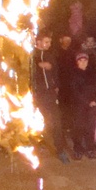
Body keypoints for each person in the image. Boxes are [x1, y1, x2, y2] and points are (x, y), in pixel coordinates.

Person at [30, 31, 68, 163]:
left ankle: (60, 150)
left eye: (50, 42)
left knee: (56, 121)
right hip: (37, 94)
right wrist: (38, 65)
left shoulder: (50, 55)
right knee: (40, 121)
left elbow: (55, 71)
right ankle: (38, 144)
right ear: (38, 42)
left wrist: (56, 86)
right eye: (46, 42)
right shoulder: (32, 55)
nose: (49, 44)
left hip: (50, 94)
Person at [69, 51, 96, 160]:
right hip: (79, 106)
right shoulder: (73, 74)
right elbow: (75, 91)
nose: (83, 63)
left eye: (85, 60)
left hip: (91, 106)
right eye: (80, 61)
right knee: (78, 128)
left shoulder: (93, 73)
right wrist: (87, 101)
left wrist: (95, 100)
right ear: (77, 62)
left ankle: (90, 148)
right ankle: (78, 149)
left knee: (90, 127)